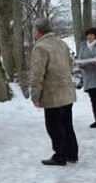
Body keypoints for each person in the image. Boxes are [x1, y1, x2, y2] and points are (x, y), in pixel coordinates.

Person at [30, 18, 78, 166]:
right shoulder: (62, 44)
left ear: (38, 31)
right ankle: (72, 153)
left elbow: (37, 74)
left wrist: (35, 95)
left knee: (54, 126)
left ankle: (60, 155)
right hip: (66, 91)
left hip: (52, 93)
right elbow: (70, 64)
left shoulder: (40, 48)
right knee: (67, 124)